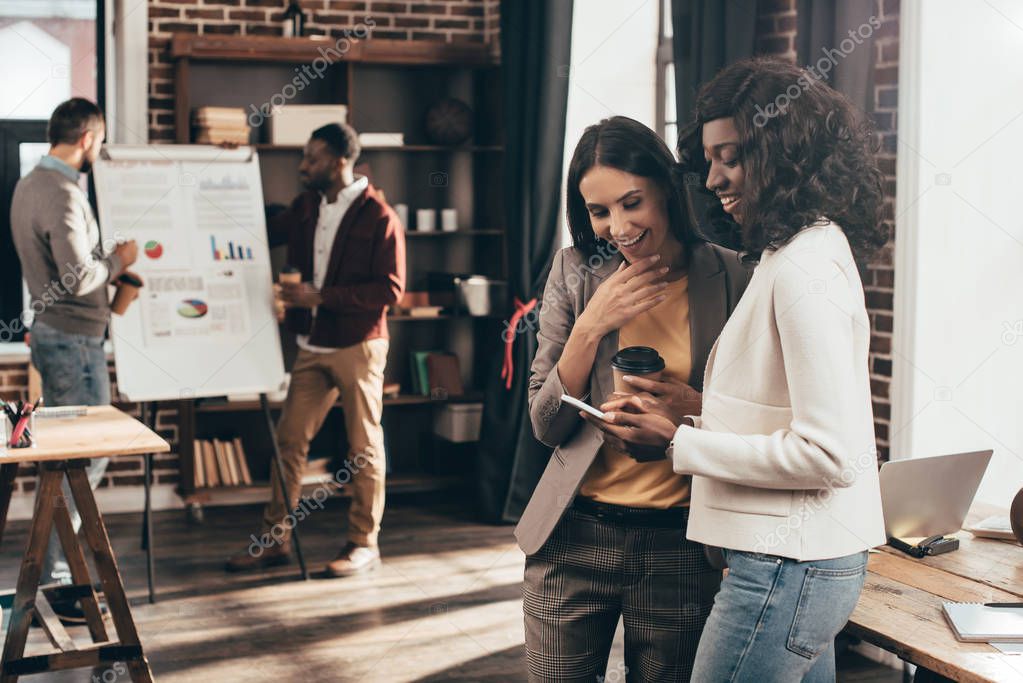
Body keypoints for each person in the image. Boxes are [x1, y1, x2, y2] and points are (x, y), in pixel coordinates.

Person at [584, 58, 889, 682]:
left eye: (732, 156)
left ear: (785, 150)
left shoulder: (804, 267)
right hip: (796, 561)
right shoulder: (793, 250)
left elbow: (828, 454)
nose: (714, 177)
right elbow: (784, 412)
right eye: (710, 158)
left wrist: (678, 440)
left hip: (786, 566)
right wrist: (694, 408)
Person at [516, 116, 750, 682]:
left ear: (667, 189)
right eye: (599, 212)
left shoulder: (735, 276)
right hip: (572, 535)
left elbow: (758, 418)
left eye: (631, 203)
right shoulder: (575, 273)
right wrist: (589, 327)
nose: (617, 227)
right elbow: (545, 424)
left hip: (681, 543)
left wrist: (689, 409)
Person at [226, 122, 405, 577]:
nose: (303, 166)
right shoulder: (307, 206)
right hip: (311, 345)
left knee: (362, 445)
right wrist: (226, 168)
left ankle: (364, 544)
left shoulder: (379, 216)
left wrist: (322, 298)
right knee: (288, 441)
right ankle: (274, 541)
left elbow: (391, 289)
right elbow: (261, 229)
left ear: (340, 161)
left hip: (359, 345)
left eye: (313, 158)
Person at [10, 97, 138, 622]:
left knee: (72, 460)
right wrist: (119, 260)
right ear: (87, 136)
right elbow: (77, 276)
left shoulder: (28, 185)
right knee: (87, 458)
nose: (99, 149)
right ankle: (59, 577)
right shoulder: (61, 192)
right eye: (100, 140)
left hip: (58, 336)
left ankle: (53, 570)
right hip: (73, 342)